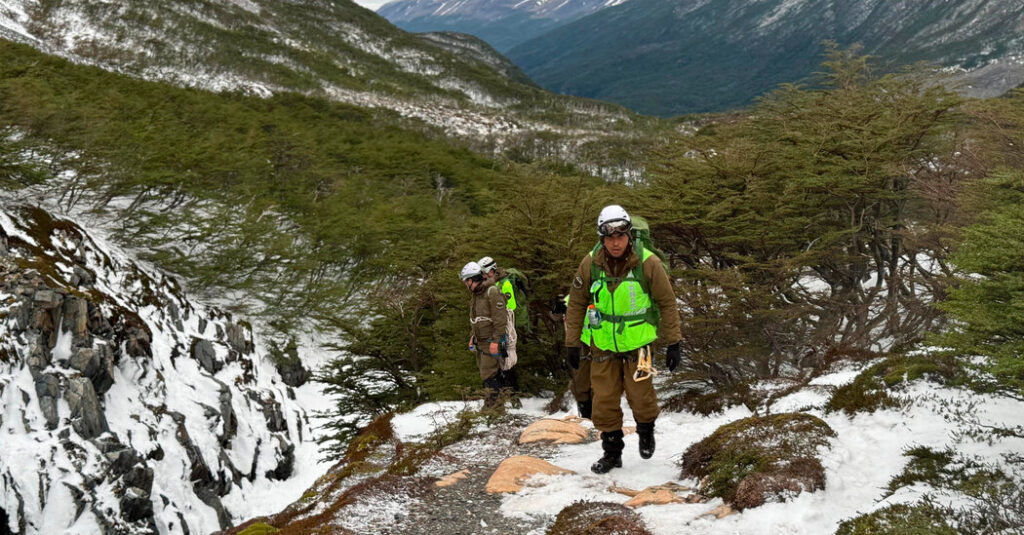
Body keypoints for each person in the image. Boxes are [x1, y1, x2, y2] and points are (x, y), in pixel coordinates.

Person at [564, 205, 682, 474]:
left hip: (640, 344)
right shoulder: (590, 264)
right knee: (603, 400)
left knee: (641, 396)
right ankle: (612, 452)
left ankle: (645, 430)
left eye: (620, 236)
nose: (615, 243)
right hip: (602, 343)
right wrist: (572, 342)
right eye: (609, 238)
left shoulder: (648, 263)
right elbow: (576, 304)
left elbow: (667, 303)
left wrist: (674, 341)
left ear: (629, 235)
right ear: (601, 238)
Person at [460, 261, 508, 407]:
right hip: (480, 341)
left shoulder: (491, 292)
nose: (466, 285)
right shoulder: (477, 295)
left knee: (489, 375)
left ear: (472, 279)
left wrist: (496, 341)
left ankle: (494, 408)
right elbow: (477, 319)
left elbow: (500, 319)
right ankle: (495, 405)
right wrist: (473, 337)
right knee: (487, 374)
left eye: (466, 281)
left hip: (490, 341)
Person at [478, 256, 523, 400]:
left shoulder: (505, 283)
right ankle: (502, 395)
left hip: (505, 326)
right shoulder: (489, 284)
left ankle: (514, 395)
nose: (483, 276)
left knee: (506, 359)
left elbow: (512, 305)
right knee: (496, 361)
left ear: (491, 270)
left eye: (484, 272)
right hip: (494, 326)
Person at [555, 294, 592, 419]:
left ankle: (602, 415)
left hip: (605, 343)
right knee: (581, 383)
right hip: (582, 342)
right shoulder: (576, 295)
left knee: (603, 382)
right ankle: (587, 416)